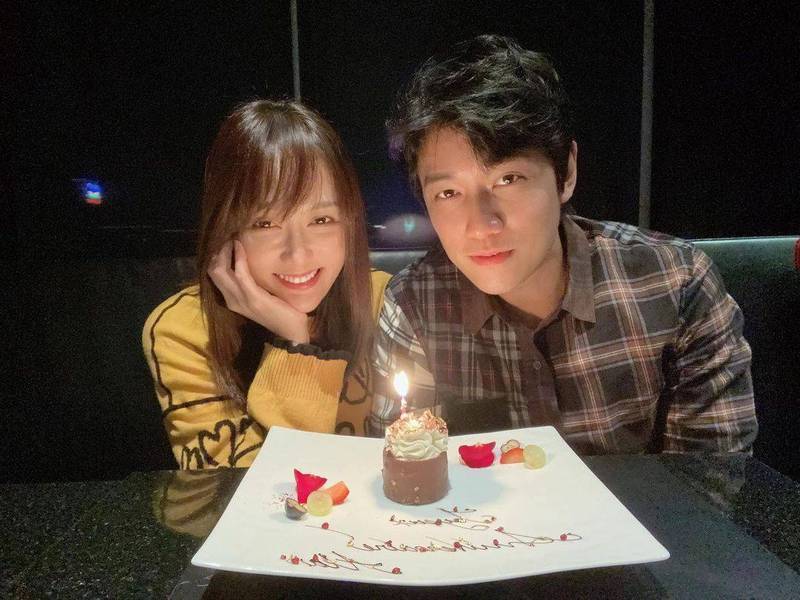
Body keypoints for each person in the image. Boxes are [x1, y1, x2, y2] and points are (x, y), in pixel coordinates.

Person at [368, 35, 758, 454]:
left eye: (508, 179)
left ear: (566, 172)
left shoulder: (674, 285)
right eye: (448, 193)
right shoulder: (415, 305)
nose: (481, 226)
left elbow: (707, 481)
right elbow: (405, 471)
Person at [143, 100, 390, 469]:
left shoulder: (384, 300)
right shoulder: (183, 330)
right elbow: (241, 486)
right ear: (225, 229)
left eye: (321, 219)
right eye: (264, 224)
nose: (298, 253)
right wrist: (295, 342)